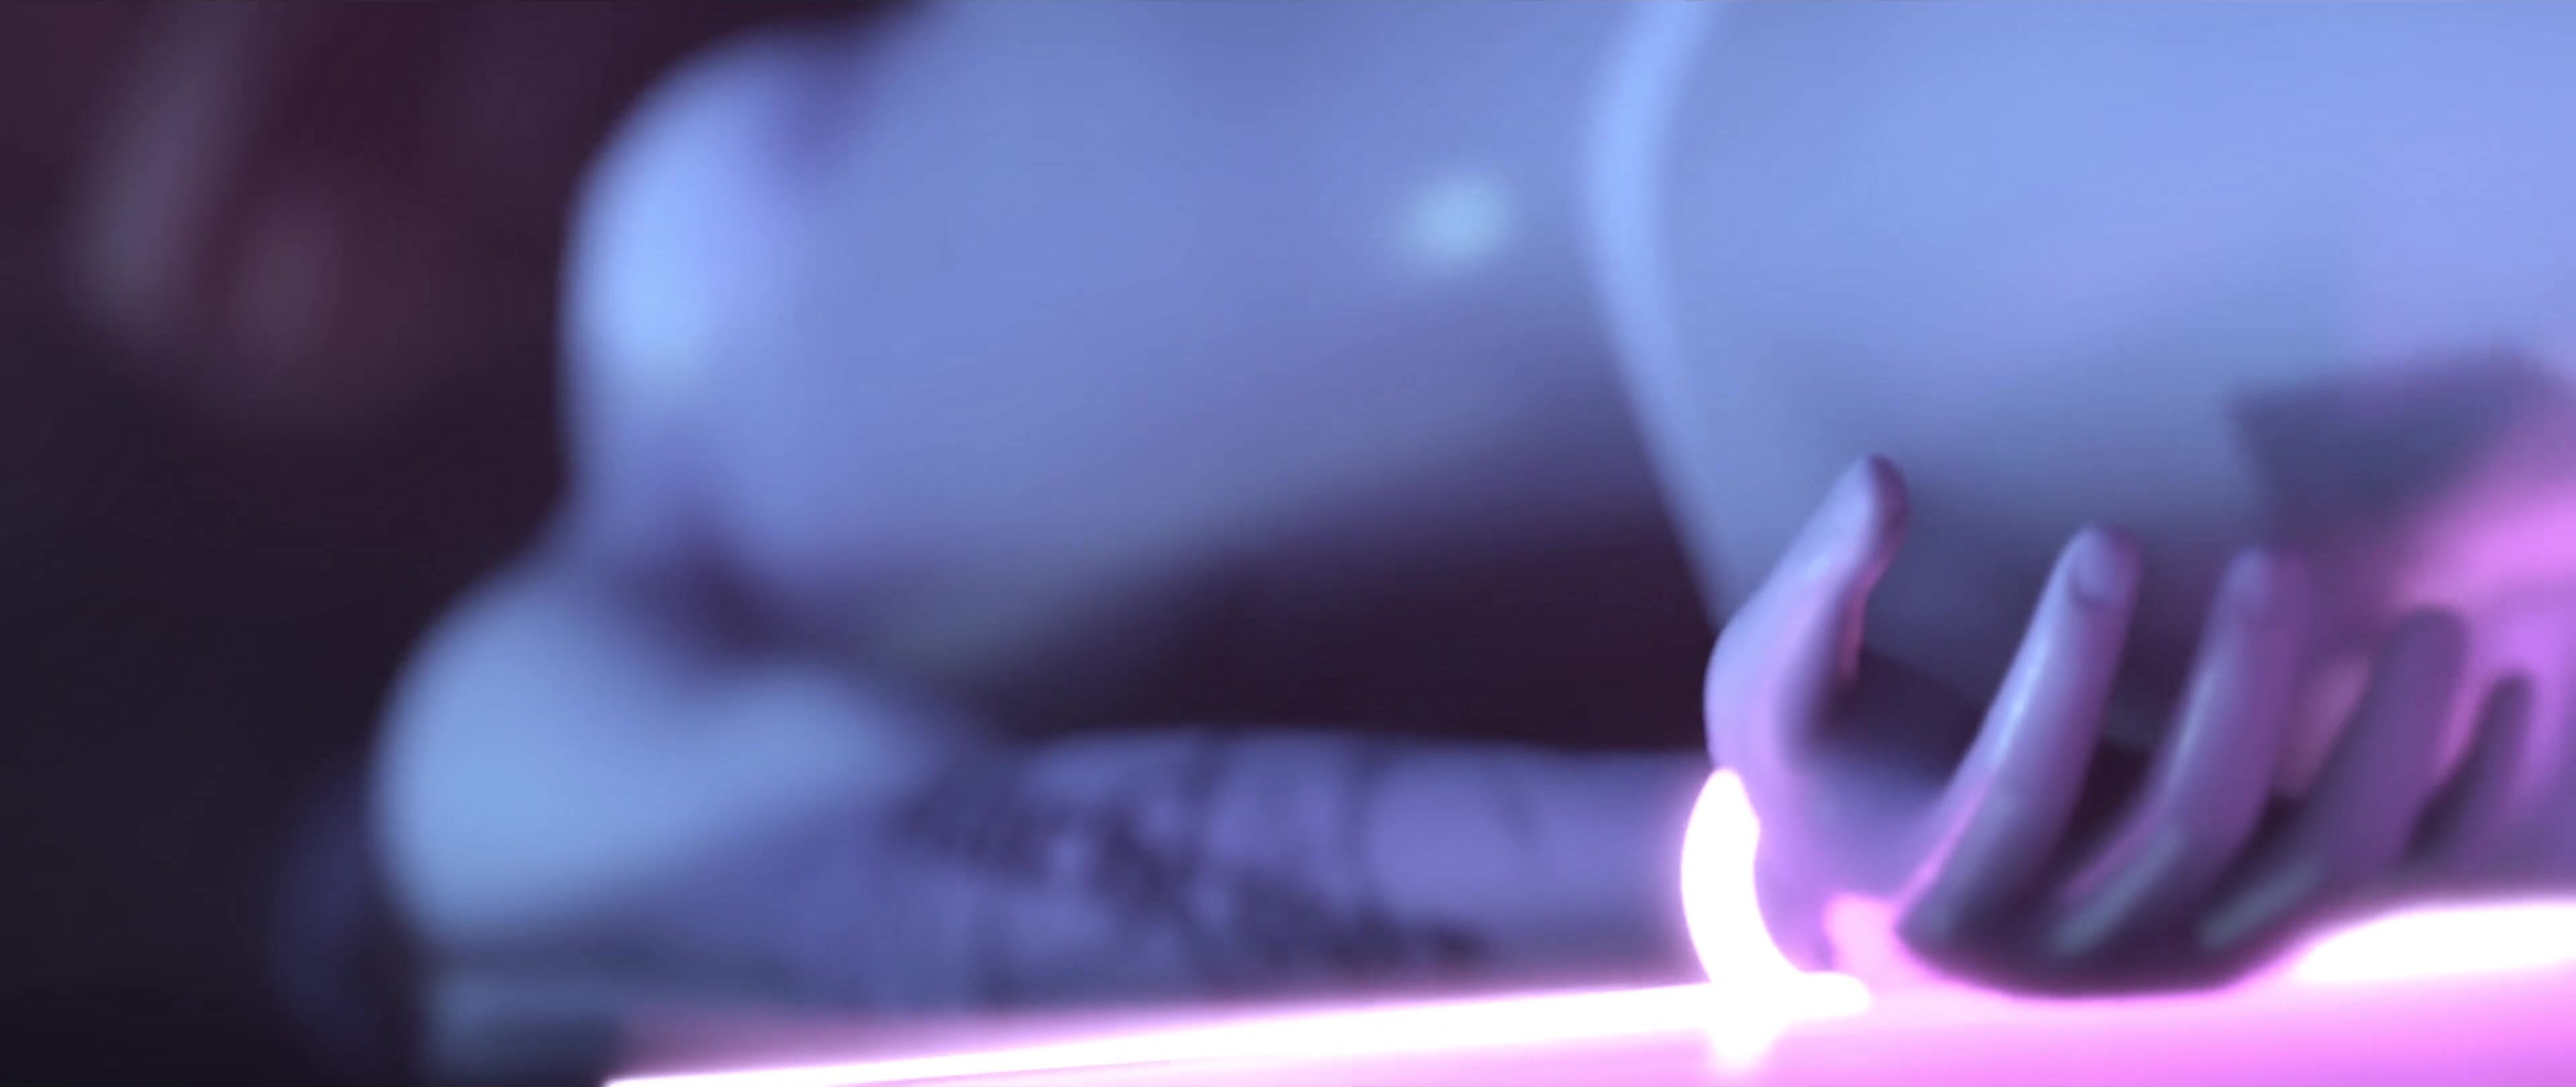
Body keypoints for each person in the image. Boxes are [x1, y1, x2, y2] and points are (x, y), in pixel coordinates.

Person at [374, 1, 2576, 1080]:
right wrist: (1728, 873)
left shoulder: (737, 235)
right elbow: (832, 868)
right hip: (1912, 245)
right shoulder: (545, 645)